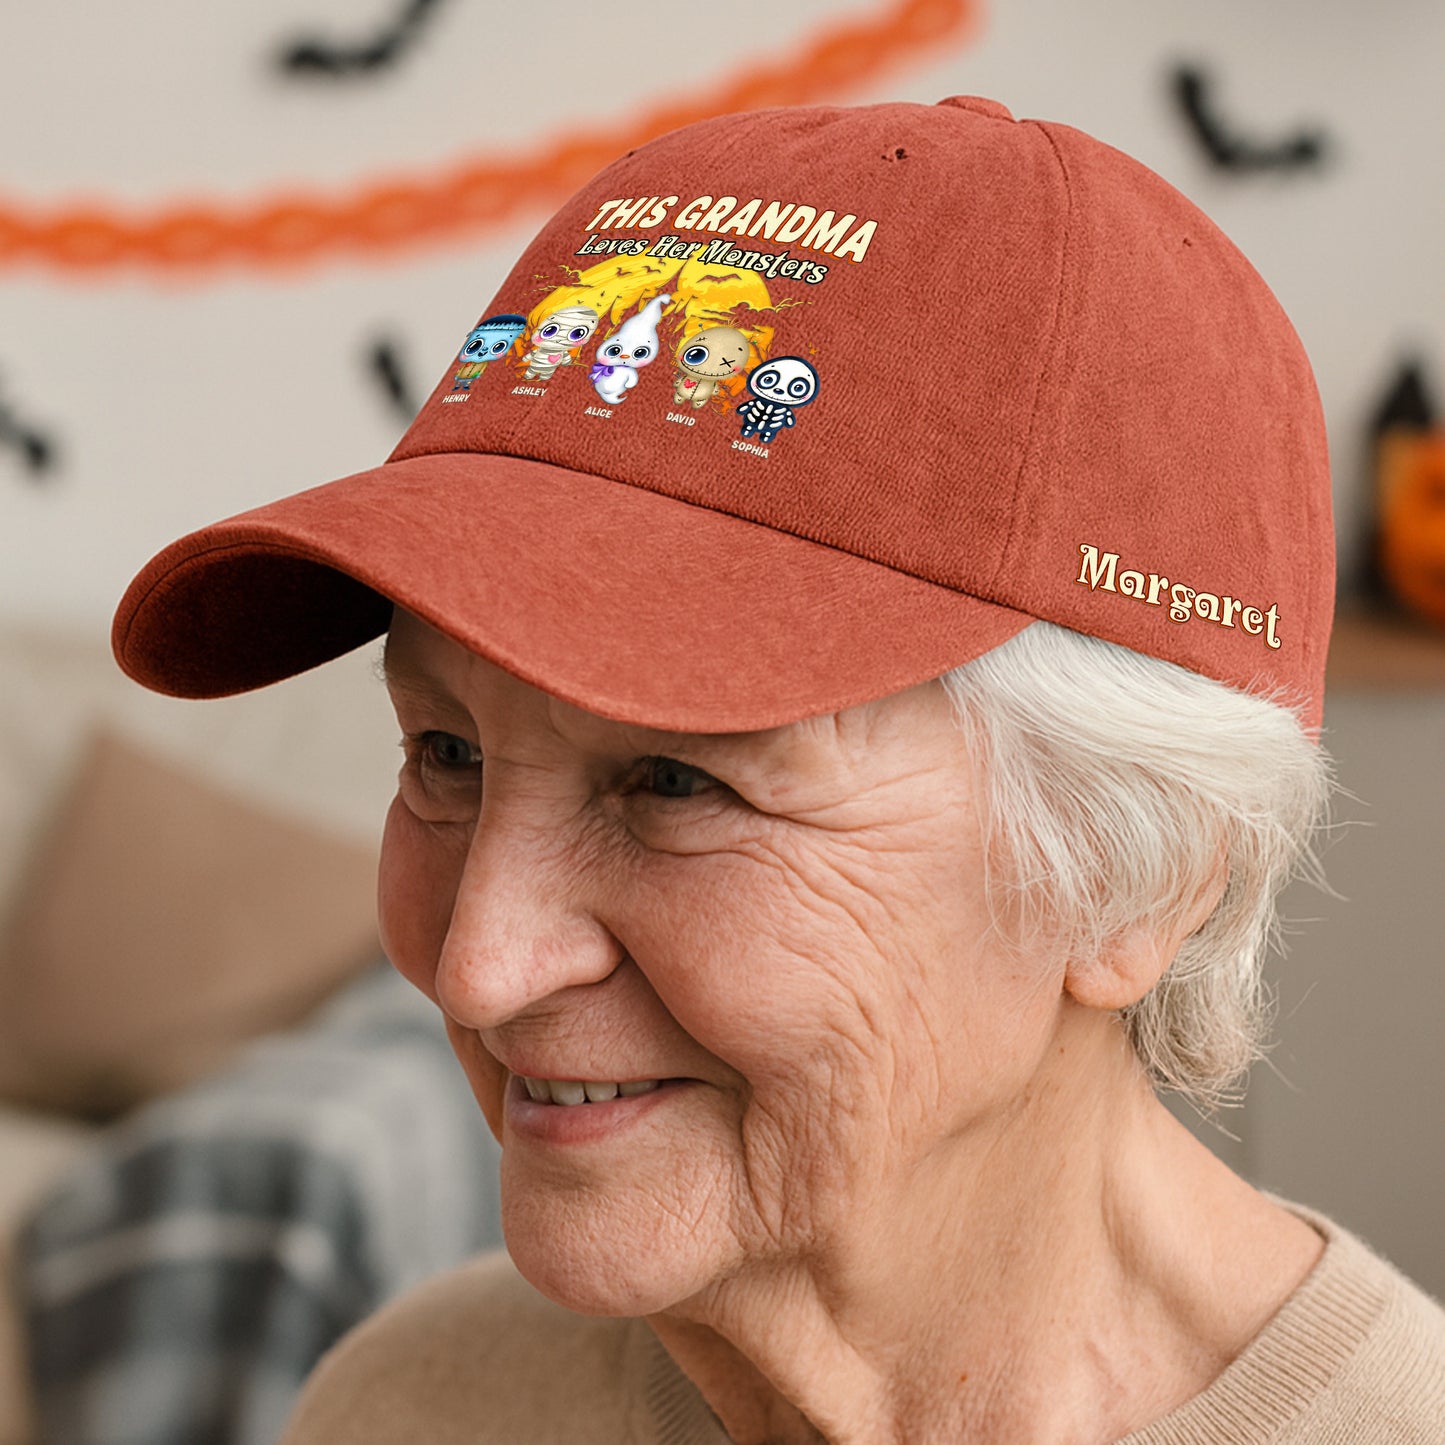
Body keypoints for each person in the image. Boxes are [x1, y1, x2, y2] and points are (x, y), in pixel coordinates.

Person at [111, 96, 1445, 1444]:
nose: (477, 964)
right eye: (445, 752)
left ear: (1131, 875)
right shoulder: (412, 1406)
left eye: (675, 784)